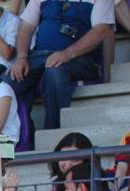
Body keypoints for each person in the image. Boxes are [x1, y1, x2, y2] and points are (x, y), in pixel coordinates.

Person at [9, 0, 114, 131]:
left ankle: (53, 133)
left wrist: (67, 54)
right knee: (9, 80)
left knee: (55, 71)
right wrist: (21, 57)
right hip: (42, 58)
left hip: (81, 60)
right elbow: (26, 28)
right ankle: (21, 137)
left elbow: (101, 31)